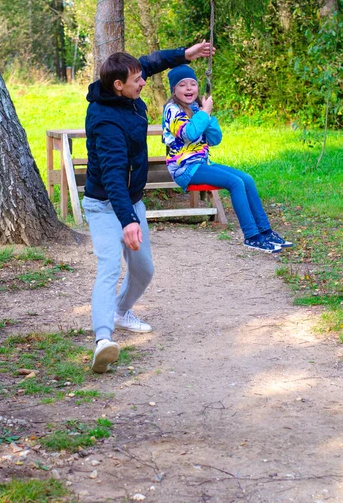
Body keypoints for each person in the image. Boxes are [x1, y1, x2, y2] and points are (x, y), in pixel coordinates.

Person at [83, 42, 211, 373]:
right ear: (118, 86)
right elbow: (112, 178)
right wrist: (127, 221)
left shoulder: (123, 83)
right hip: (104, 205)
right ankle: (103, 340)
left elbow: (151, 63)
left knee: (144, 270)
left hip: (132, 201)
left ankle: (121, 311)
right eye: (137, 80)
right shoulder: (106, 122)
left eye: (141, 77)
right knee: (110, 266)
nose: (143, 83)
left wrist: (186, 54)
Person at [162, 64, 293, 254]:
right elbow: (189, 133)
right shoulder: (172, 110)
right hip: (184, 168)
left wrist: (206, 115)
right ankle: (252, 236)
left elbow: (215, 139)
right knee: (235, 182)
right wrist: (204, 114)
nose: (189, 88)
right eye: (182, 85)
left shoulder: (197, 108)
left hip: (201, 164)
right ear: (174, 89)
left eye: (193, 84)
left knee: (246, 179)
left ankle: (265, 232)